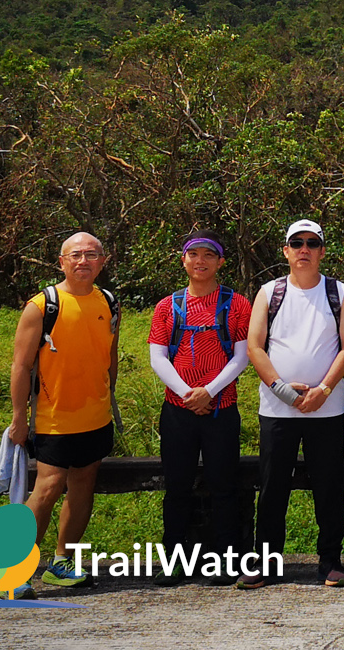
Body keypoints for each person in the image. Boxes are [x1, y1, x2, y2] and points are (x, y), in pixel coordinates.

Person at [238, 219, 344, 589]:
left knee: (329, 486)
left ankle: (330, 562)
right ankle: (266, 562)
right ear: (286, 251)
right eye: (297, 243)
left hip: (327, 408)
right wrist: (282, 389)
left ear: (322, 251)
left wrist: (323, 389)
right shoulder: (269, 293)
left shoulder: (339, 293)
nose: (304, 249)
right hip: (277, 409)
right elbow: (255, 346)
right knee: (272, 486)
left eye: (312, 243)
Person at [7, 231, 120, 592]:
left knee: (83, 486)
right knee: (48, 487)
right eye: (75, 255)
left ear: (103, 262)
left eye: (91, 255)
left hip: (96, 416)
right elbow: (20, 366)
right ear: (61, 262)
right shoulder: (42, 306)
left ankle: (62, 562)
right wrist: (19, 418)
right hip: (52, 418)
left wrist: (107, 394)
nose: (83, 261)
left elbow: (110, 355)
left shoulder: (109, 302)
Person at [147, 229, 254, 586]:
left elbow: (242, 356)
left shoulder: (237, 304)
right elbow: (157, 357)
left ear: (220, 262)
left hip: (222, 408)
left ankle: (226, 559)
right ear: (184, 260)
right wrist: (187, 394)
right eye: (194, 254)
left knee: (224, 485)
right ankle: (174, 560)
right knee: (177, 486)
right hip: (177, 411)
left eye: (209, 255)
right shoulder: (167, 306)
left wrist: (208, 392)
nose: (200, 261)